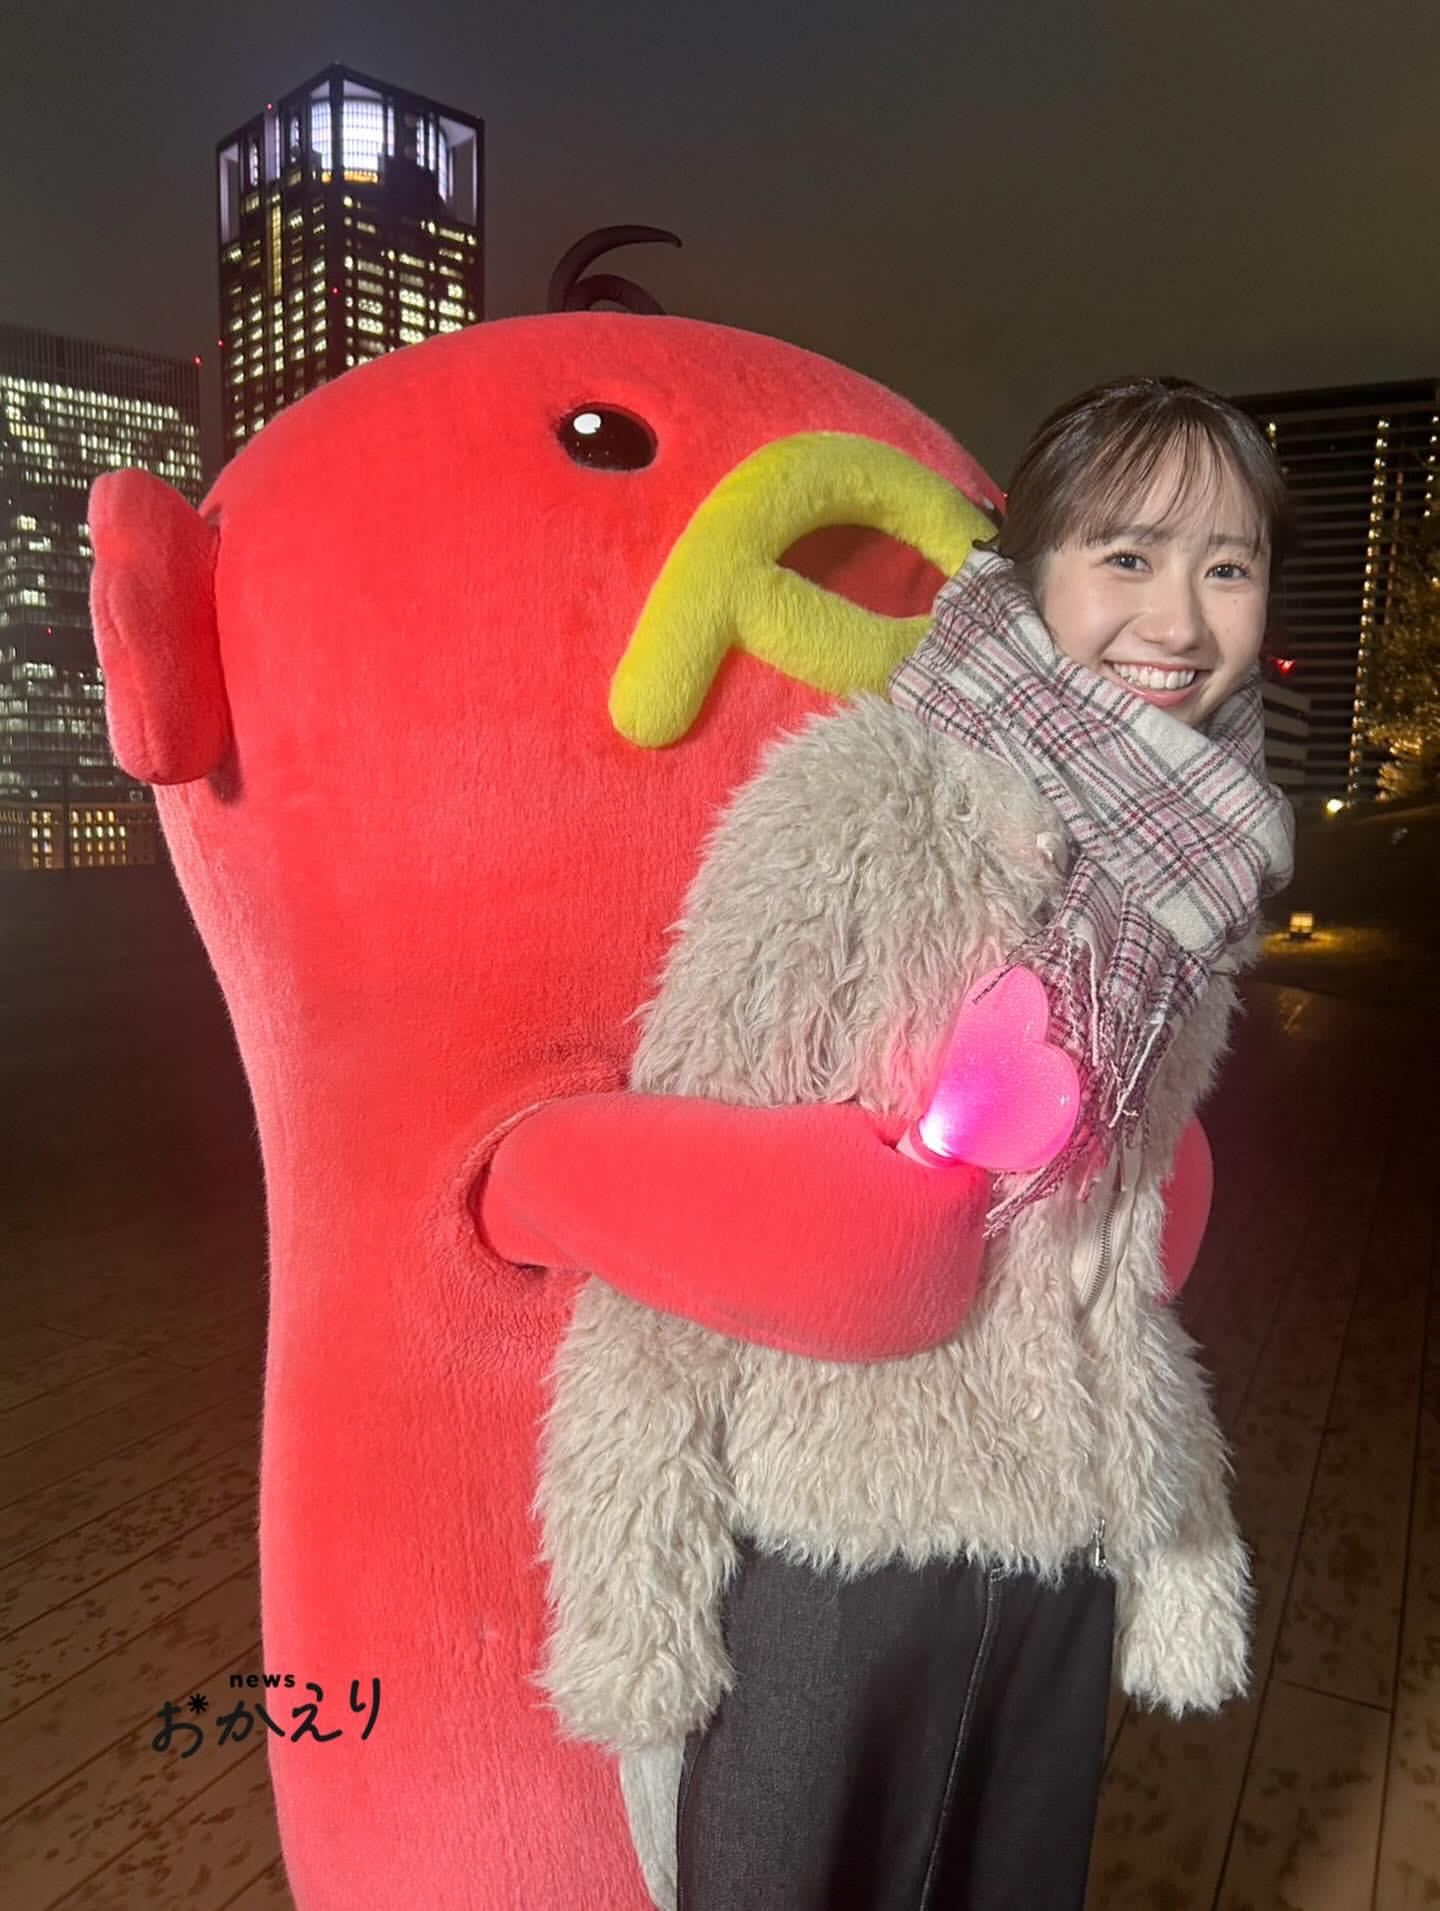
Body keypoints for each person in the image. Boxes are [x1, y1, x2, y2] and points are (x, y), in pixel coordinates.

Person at [532, 375, 1296, 1911]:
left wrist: (1173, 1529)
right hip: (834, 1551)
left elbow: (1112, 1256)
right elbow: (686, 1218)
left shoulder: (1194, 880)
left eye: (1227, 565)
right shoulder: (862, 808)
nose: (1178, 618)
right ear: (1031, 570)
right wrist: (634, 1591)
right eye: (1128, 556)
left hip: (1061, 1541)